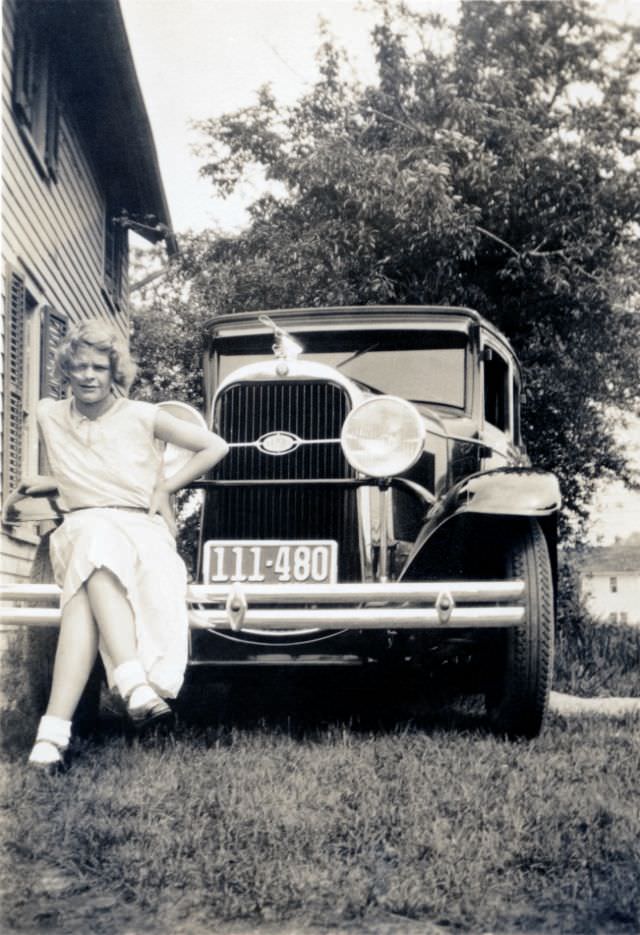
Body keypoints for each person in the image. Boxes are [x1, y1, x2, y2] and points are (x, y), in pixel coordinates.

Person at [19, 320, 229, 770]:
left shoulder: (142, 415)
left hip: (139, 531)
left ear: (115, 371)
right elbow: (91, 471)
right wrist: (49, 482)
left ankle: (53, 732)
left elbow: (214, 446)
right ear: (67, 370)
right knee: (93, 538)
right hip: (82, 526)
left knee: (83, 594)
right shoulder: (48, 415)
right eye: (79, 367)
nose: (89, 376)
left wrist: (165, 488)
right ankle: (132, 681)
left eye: (99, 367)